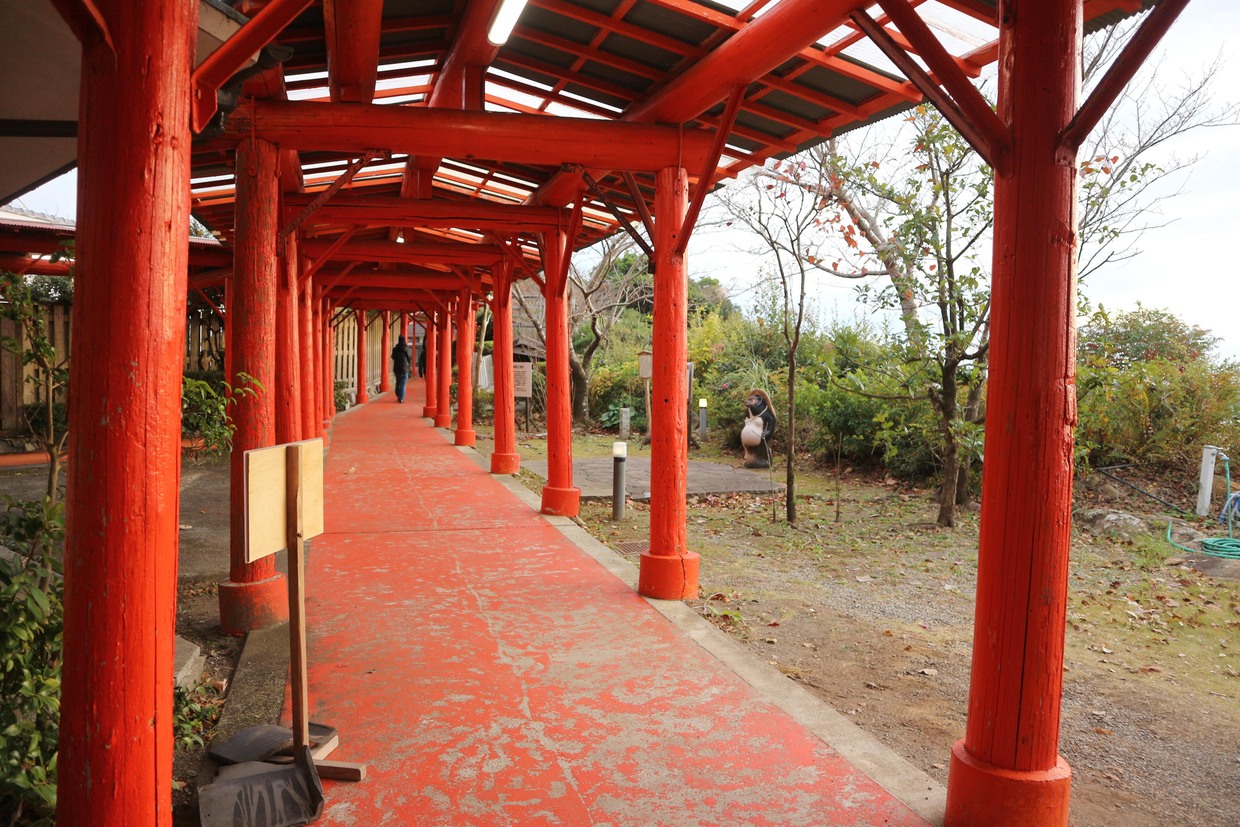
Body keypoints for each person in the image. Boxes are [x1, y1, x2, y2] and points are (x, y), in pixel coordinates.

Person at [391, 335, 412, 403]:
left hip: (396, 368)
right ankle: (401, 398)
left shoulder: (395, 349)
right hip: (404, 368)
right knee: (403, 383)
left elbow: (393, 357)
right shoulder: (406, 348)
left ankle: (398, 394)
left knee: (398, 382)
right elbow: (409, 358)